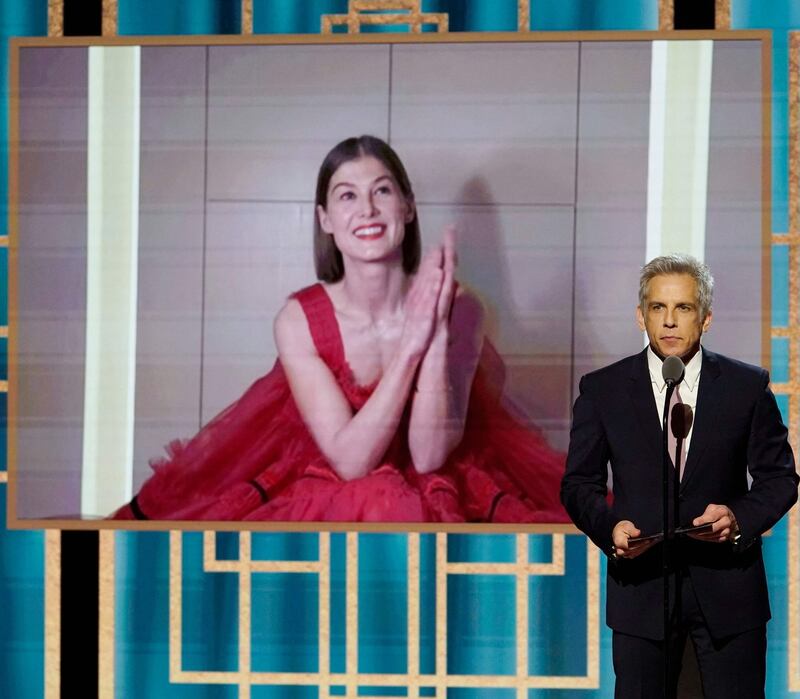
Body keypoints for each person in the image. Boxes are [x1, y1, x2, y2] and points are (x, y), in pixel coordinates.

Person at [112, 135, 568, 523]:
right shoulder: (297, 321)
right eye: (347, 195)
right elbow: (351, 462)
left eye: (382, 191)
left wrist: (433, 335)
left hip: (439, 479)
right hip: (326, 473)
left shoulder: (463, 309)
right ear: (326, 219)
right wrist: (410, 346)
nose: (367, 210)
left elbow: (429, 456)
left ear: (407, 208)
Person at [560, 253, 798, 697]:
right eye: (658, 308)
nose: (669, 321)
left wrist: (737, 519)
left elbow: (780, 479)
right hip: (642, 594)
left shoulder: (746, 387)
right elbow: (577, 485)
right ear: (640, 316)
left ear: (705, 318)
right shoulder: (603, 390)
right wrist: (610, 527)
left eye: (683, 308)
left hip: (729, 598)